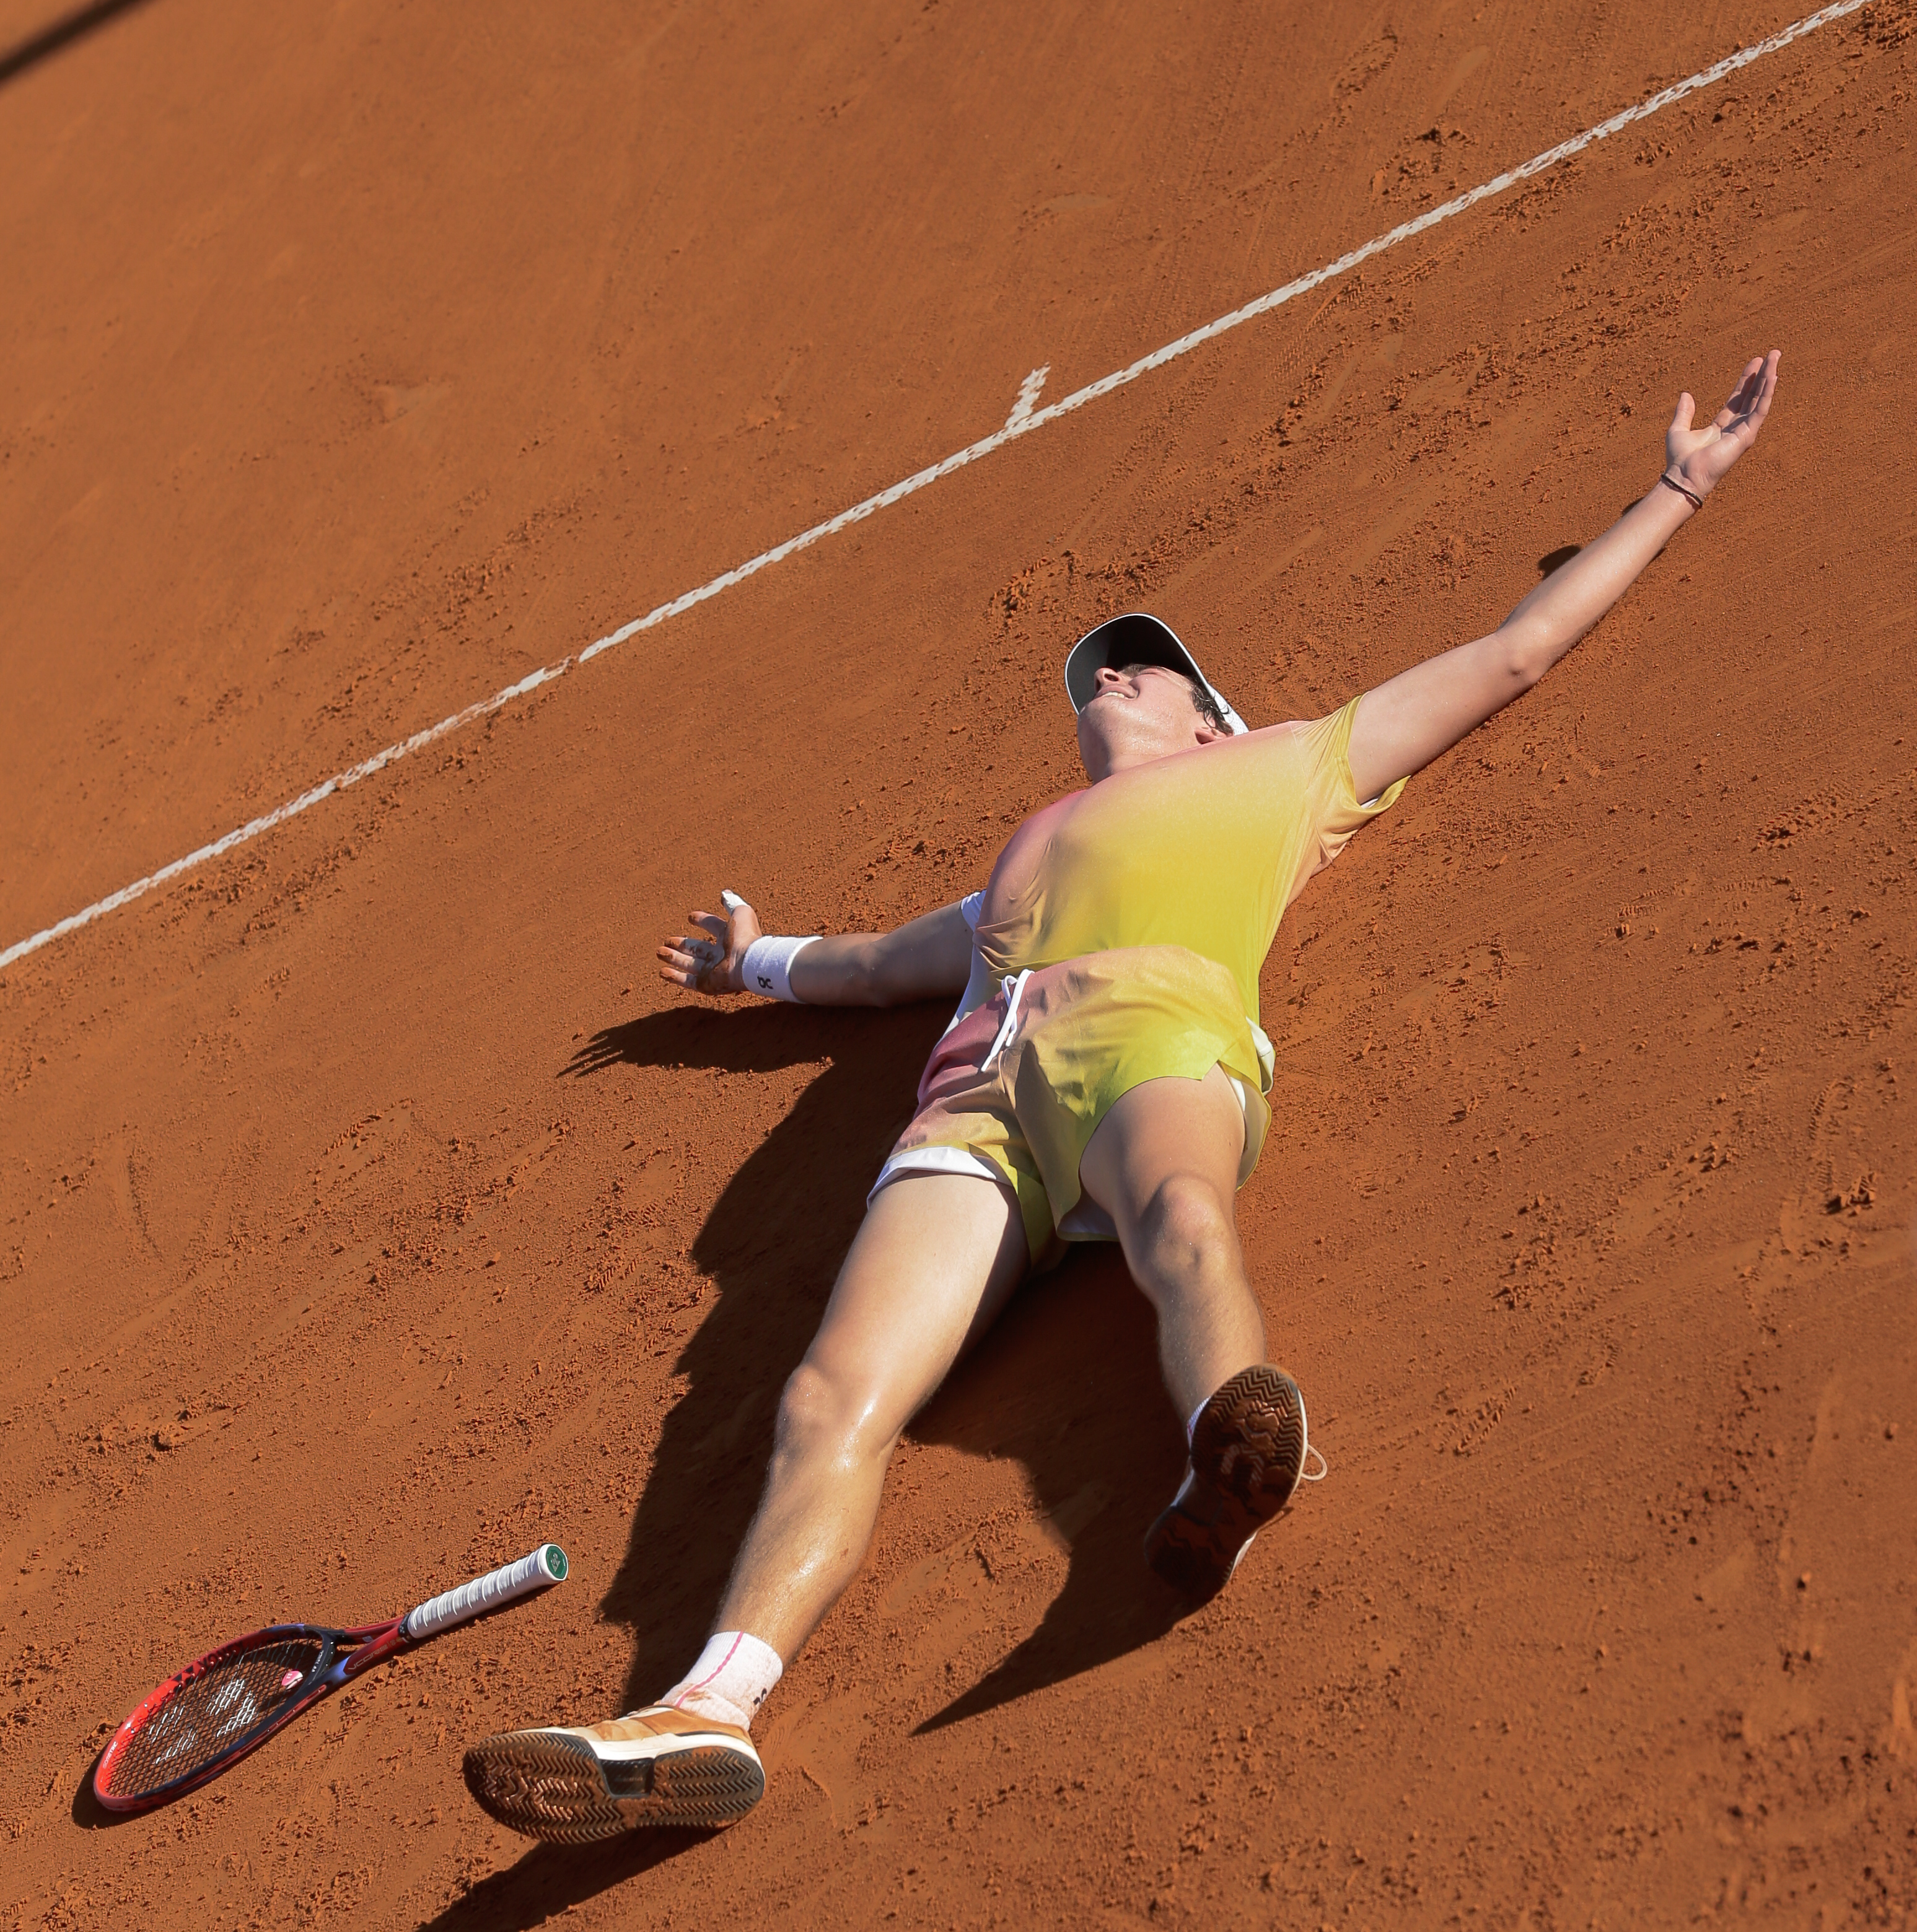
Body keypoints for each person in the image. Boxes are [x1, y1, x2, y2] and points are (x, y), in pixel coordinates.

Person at [463, 347, 1780, 1843]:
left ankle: (1232, 1441)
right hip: (972, 1104)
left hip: (1151, 1031)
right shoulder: (1019, 861)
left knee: (1179, 1218)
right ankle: (706, 1706)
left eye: (1141, 666)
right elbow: (876, 965)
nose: (1108, 676)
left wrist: (1674, 490)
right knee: (831, 1392)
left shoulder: (1291, 765)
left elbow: (1512, 653)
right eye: (1099, 670)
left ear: (1213, 718)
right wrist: (751, 961)